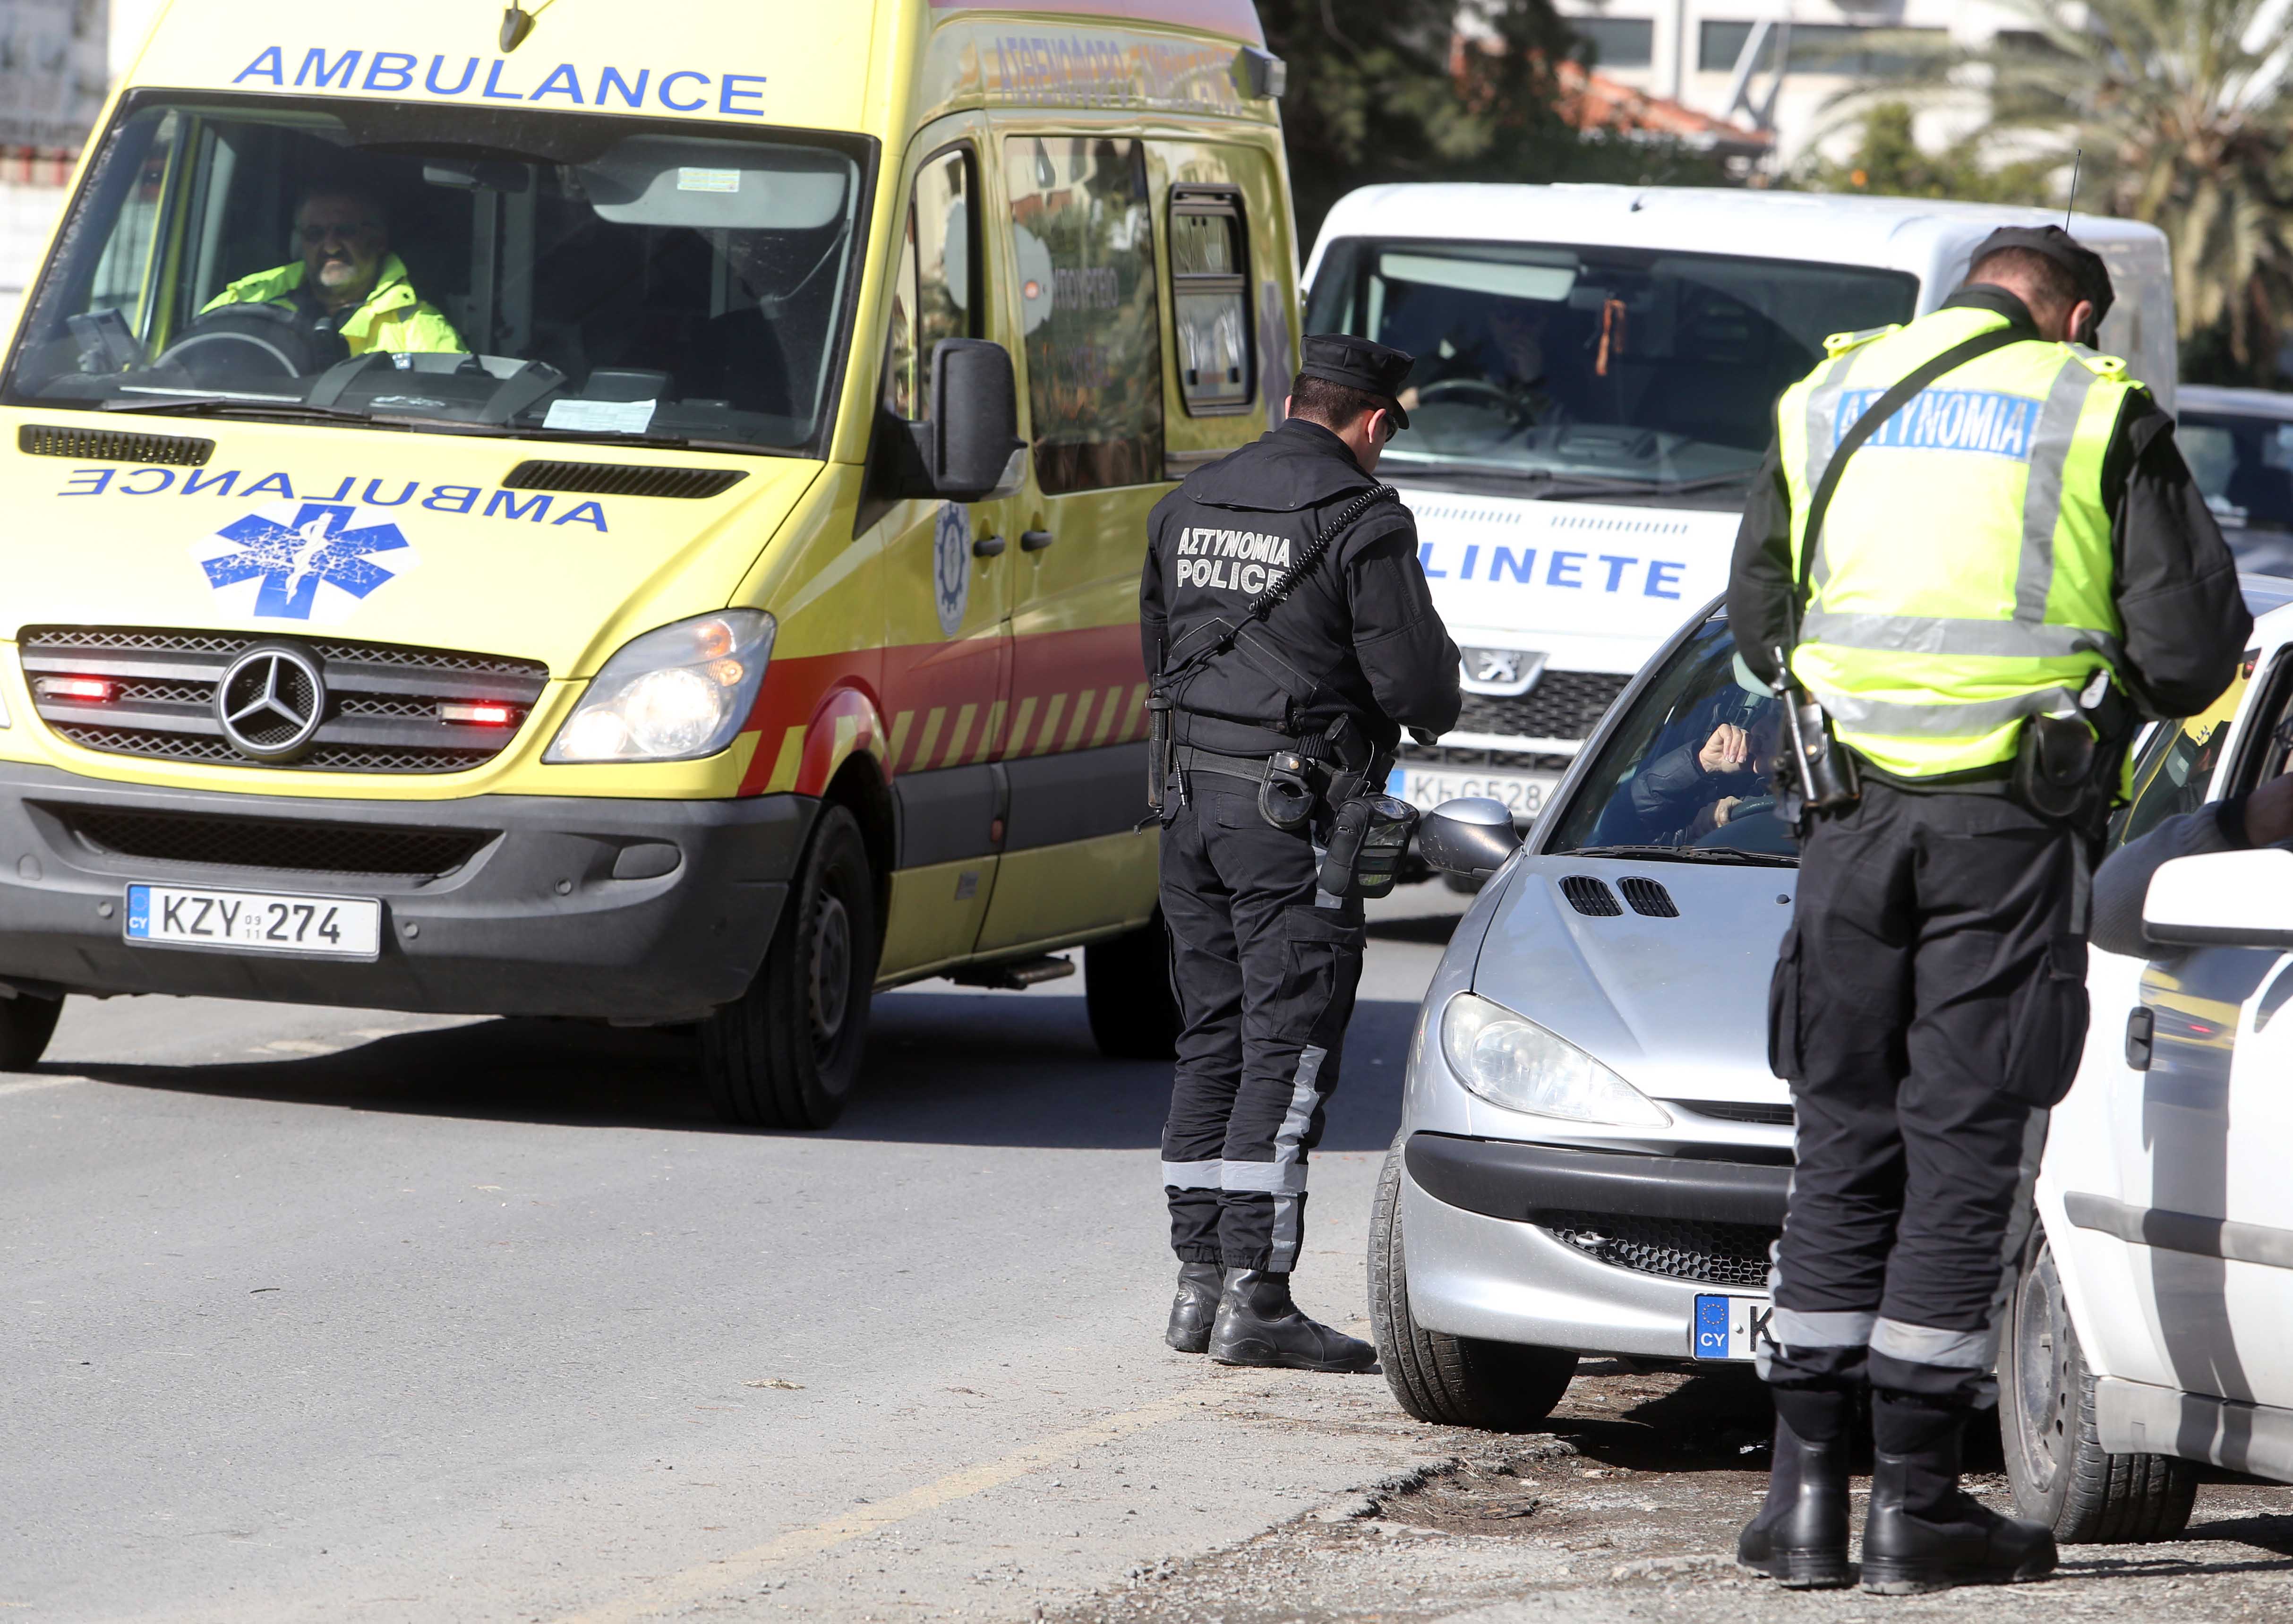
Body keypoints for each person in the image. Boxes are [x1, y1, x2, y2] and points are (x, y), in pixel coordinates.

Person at [1727, 226, 2250, 1594]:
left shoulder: (1824, 392)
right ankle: (1913, 1504)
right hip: (2007, 827)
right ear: (2072, 312)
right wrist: (2087, 719)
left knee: (1837, 1139)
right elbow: (2192, 647)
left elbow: (1756, 617)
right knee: (1959, 1144)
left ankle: (1798, 1500)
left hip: (1842, 824)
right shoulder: (2090, 406)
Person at [1141, 334, 1461, 1372]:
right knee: (1288, 1043)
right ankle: (1259, 1296)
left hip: (1187, 804)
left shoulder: (1191, 500)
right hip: (1291, 820)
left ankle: (1198, 1285)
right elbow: (1422, 693)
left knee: (1212, 1035)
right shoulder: (1364, 521)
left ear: (1291, 402)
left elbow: (1159, 652)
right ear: (1373, 424)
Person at [202, 187, 463, 358]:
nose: (330, 247)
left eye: (346, 232)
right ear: (299, 243)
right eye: (314, 234)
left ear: (378, 240)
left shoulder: (419, 328)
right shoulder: (242, 304)